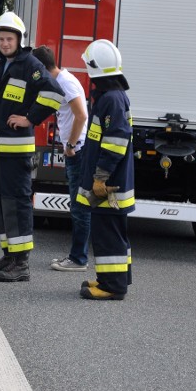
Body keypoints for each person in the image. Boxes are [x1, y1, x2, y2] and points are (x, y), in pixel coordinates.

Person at [0, 12, 65, 282]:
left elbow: (54, 94)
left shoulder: (30, 64)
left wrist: (29, 118)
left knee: (16, 204)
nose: (4, 43)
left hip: (15, 149)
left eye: (9, 39)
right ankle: (9, 254)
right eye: (1, 39)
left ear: (18, 40)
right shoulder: (3, 66)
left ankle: (21, 264)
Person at [75, 39, 135, 300]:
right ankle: (114, 279)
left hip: (110, 185)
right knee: (113, 232)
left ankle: (112, 287)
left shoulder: (111, 99)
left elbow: (115, 141)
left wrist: (100, 177)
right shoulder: (113, 96)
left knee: (107, 235)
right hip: (113, 182)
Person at [31, 45, 89, 272]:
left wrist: (72, 146)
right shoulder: (61, 80)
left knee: (79, 207)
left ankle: (78, 260)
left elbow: (81, 115)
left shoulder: (65, 82)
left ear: (42, 68)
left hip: (79, 152)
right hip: (76, 151)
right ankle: (76, 256)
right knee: (78, 207)